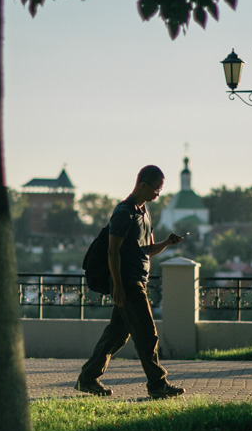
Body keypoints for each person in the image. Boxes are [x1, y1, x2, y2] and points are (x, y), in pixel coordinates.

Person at [76, 165, 187, 399]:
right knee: (147, 333)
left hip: (137, 280)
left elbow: (146, 249)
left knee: (117, 334)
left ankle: (87, 379)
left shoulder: (144, 212)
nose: (158, 193)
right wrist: (116, 285)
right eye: (156, 188)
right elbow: (112, 251)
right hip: (127, 282)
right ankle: (158, 385)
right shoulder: (123, 213)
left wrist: (167, 243)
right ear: (143, 184)